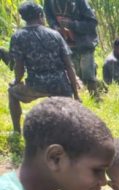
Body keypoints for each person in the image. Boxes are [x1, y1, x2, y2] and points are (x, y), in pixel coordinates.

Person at [7, 1, 80, 133]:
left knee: (12, 93)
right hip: (61, 85)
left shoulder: (18, 37)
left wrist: (16, 82)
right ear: (40, 15)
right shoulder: (55, 34)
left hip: (37, 85)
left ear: (23, 18)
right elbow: (69, 66)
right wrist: (76, 94)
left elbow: (19, 68)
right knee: (67, 119)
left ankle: (17, 131)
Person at [43, 0, 99, 99]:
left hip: (83, 43)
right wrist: (56, 28)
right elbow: (49, 18)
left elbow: (92, 23)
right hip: (65, 44)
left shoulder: (79, 2)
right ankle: (75, 98)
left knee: (88, 74)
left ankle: (95, 98)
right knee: (72, 76)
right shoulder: (49, 2)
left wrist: (71, 24)